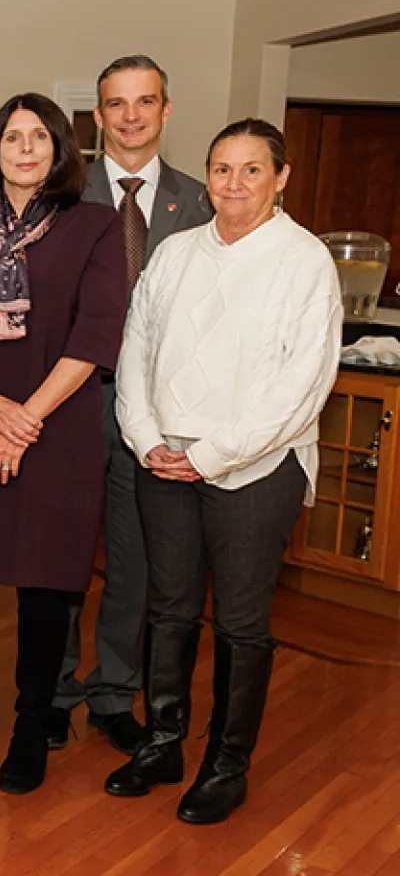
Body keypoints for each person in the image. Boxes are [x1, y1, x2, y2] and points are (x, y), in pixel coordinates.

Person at [104, 119, 340, 824]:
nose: (233, 184)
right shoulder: (174, 254)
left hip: (257, 469)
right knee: (170, 608)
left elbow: (301, 386)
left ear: (282, 177)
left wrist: (209, 455)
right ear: (204, 176)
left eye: (251, 171)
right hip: (163, 460)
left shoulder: (305, 263)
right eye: (221, 169)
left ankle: (226, 762)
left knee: (239, 621)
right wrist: (146, 438)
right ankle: (165, 740)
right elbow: (135, 351)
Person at [0, 92, 126, 795]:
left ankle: (32, 723)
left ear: (63, 150)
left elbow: (98, 333)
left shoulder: (96, 226)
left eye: (42, 136)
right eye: (14, 136)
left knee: (45, 588)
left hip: (56, 428)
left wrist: (24, 420)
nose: (27, 148)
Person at [54, 55, 213, 756]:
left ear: (166, 109)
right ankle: (52, 691)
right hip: (68, 401)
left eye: (144, 101)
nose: (130, 116)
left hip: (154, 409)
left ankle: (114, 692)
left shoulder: (201, 201)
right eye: (115, 104)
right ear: (97, 116)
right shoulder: (62, 195)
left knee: (136, 560)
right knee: (57, 554)